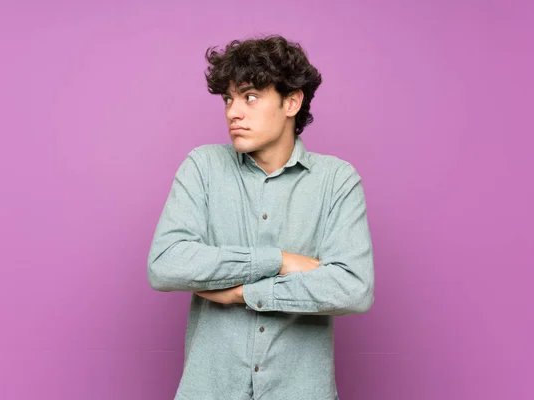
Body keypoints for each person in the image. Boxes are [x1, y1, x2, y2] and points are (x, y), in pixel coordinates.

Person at [147, 34, 375, 400]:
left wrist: (242, 293)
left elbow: (353, 287)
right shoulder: (203, 167)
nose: (233, 112)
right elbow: (166, 263)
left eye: (250, 97)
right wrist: (281, 261)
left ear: (291, 102)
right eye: (228, 99)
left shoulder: (337, 181)